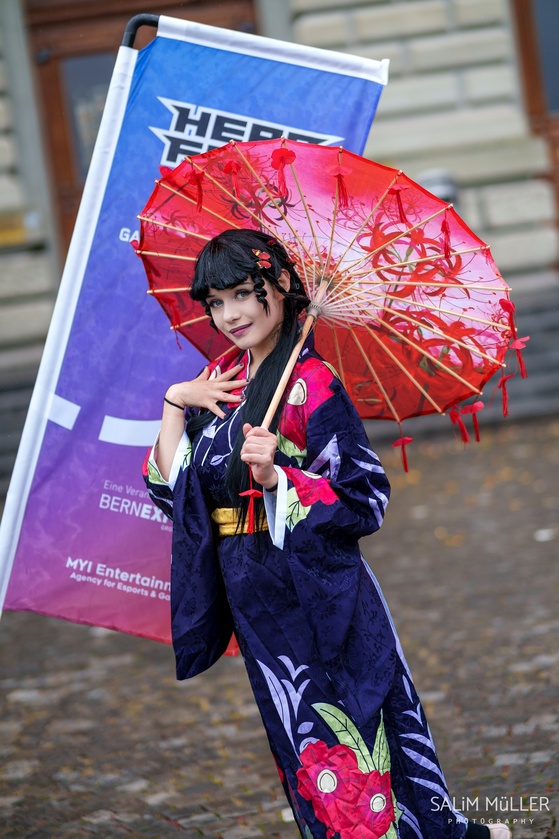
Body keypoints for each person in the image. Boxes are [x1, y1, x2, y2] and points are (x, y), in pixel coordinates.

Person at [143, 229, 511, 839]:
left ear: (282, 287)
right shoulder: (219, 378)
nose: (229, 314)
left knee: (356, 712)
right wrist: (176, 401)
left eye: (243, 293)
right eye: (215, 302)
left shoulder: (313, 384)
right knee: (297, 726)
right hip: (251, 588)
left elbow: (364, 498)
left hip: (315, 584)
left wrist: (280, 474)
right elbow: (174, 491)